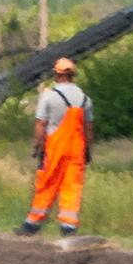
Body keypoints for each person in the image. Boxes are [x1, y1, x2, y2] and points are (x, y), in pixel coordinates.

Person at [16, 56, 93, 237]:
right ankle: (69, 226)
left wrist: (38, 145)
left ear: (56, 75)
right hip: (77, 150)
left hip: (55, 147)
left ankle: (32, 225)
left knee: (47, 183)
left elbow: (41, 124)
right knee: (72, 186)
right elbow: (89, 128)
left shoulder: (49, 96)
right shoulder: (85, 99)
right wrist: (88, 150)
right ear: (73, 75)